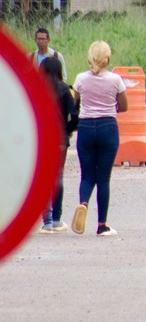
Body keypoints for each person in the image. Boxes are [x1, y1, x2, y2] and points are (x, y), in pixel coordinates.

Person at [71, 41, 128, 236]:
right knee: (103, 178)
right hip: (107, 127)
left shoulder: (80, 79)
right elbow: (124, 106)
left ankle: (83, 203)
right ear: (107, 58)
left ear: (90, 57)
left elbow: (75, 102)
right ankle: (102, 225)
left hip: (86, 127)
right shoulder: (115, 80)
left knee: (87, 175)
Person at [38, 57, 78, 234]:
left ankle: (46, 221)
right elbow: (75, 115)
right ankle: (56, 219)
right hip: (60, 139)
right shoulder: (65, 89)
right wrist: (67, 129)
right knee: (57, 177)